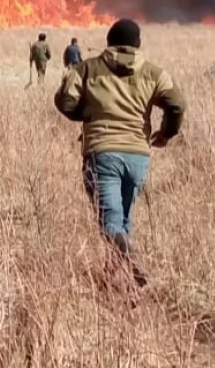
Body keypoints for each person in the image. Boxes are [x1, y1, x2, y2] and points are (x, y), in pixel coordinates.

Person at [53, 18, 185, 287]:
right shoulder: (153, 73)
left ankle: (134, 262)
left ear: (109, 41)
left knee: (110, 222)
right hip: (138, 154)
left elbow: (65, 99)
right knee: (123, 218)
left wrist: (86, 114)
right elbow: (177, 105)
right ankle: (113, 277)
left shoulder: (88, 69)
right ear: (138, 44)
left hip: (102, 153)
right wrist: (166, 134)